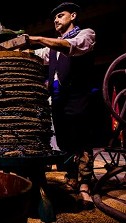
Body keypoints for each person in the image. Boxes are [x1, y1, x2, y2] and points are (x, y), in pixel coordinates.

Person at [25, 2, 96, 209]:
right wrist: (15, 46)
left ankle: (84, 185)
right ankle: (72, 177)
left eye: (61, 15)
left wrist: (37, 38)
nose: (56, 20)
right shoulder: (52, 48)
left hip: (78, 96)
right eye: (54, 17)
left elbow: (71, 47)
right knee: (65, 141)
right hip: (58, 99)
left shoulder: (86, 34)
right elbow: (38, 55)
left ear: (73, 16)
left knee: (81, 140)